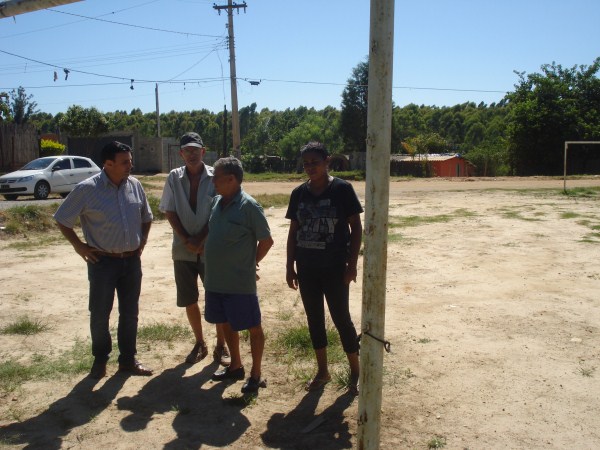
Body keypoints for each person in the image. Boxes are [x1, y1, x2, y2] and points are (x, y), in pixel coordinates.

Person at [54, 141, 154, 379]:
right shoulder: (87, 189)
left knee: (130, 313)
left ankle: (128, 360)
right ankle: (100, 360)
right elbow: (62, 219)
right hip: (103, 263)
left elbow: (146, 216)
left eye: (130, 160)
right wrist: (79, 247)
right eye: (125, 162)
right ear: (108, 164)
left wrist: (143, 241)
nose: (131, 165)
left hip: (131, 263)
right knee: (100, 313)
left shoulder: (135, 185)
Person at [285, 141, 362, 395]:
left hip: (335, 268)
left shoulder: (342, 189)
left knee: (342, 319)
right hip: (307, 268)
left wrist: (352, 265)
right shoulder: (298, 193)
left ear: (327, 161)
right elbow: (293, 231)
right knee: (314, 319)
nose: (310, 168)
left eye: (314, 162)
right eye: (306, 163)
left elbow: (356, 228)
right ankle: (323, 371)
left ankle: (356, 371)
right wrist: (289, 266)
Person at [203, 156, 274, 394]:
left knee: (252, 326)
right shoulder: (216, 203)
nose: (213, 182)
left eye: (217, 178)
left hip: (239, 283)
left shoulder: (249, 207)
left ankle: (256, 374)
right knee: (225, 324)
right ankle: (235, 365)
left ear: (232, 179)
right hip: (215, 280)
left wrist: (250, 263)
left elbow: (266, 240)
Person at [159, 132, 230, 366]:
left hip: (211, 247)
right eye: (186, 150)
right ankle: (200, 342)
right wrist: (187, 240)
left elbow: (220, 211)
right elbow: (169, 210)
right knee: (189, 298)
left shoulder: (215, 176)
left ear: (203, 151)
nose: (190, 154)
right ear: (181, 154)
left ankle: (221, 344)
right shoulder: (173, 177)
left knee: (217, 296)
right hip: (182, 249)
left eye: (194, 150)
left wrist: (200, 239)